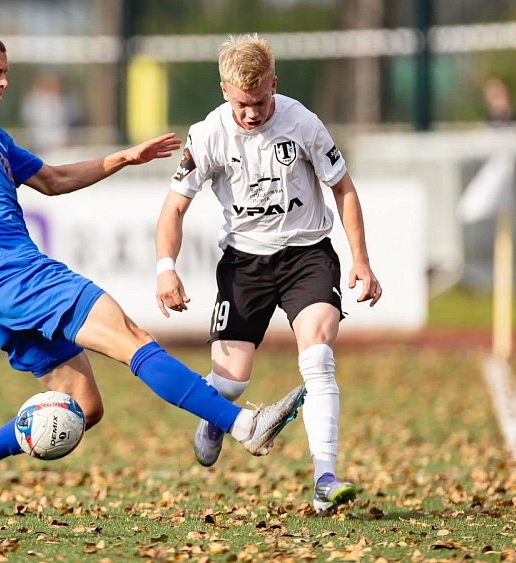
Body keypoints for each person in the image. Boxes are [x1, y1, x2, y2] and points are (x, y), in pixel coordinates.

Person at [0, 31, 307, 517]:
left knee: (83, 405)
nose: (5, 81)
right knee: (132, 338)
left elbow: (52, 181)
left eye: (5, 71)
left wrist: (121, 158)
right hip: (9, 269)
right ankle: (243, 426)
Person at [155, 34, 382, 515]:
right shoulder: (208, 134)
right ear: (223, 90)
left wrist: (360, 259)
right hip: (244, 263)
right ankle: (216, 416)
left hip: (307, 255)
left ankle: (324, 476)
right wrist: (166, 268)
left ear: (274, 85)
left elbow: (343, 189)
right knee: (232, 382)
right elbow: (173, 209)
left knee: (318, 359)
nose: (252, 113)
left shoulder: (303, 123)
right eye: (242, 104)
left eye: (260, 101)